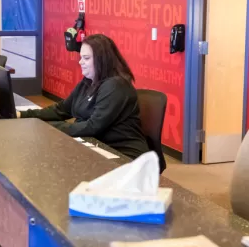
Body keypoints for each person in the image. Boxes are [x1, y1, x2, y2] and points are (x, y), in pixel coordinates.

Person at [19, 34, 159, 169]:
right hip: (97, 145)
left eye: (86, 58)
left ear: (102, 60)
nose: (80, 62)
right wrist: (24, 115)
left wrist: (50, 128)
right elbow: (62, 109)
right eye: (81, 57)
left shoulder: (116, 86)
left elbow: (93, 127)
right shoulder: (88, 81)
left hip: (122, 155)